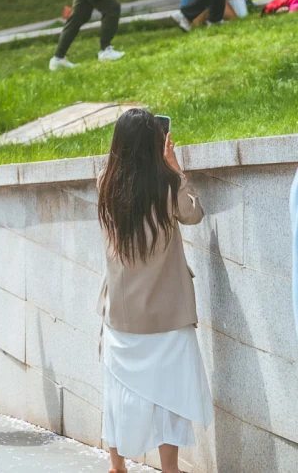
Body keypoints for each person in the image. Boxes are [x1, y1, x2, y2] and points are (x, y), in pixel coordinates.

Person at [97, 108, 213, 473]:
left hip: (121, 314)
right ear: (155, 144)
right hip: (167, 314)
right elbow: (193, 214)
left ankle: (117, 466)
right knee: (171, 396)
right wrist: (176, 168)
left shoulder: (106, 184)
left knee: (118, 392)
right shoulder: (166, 184)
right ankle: (170, 468)